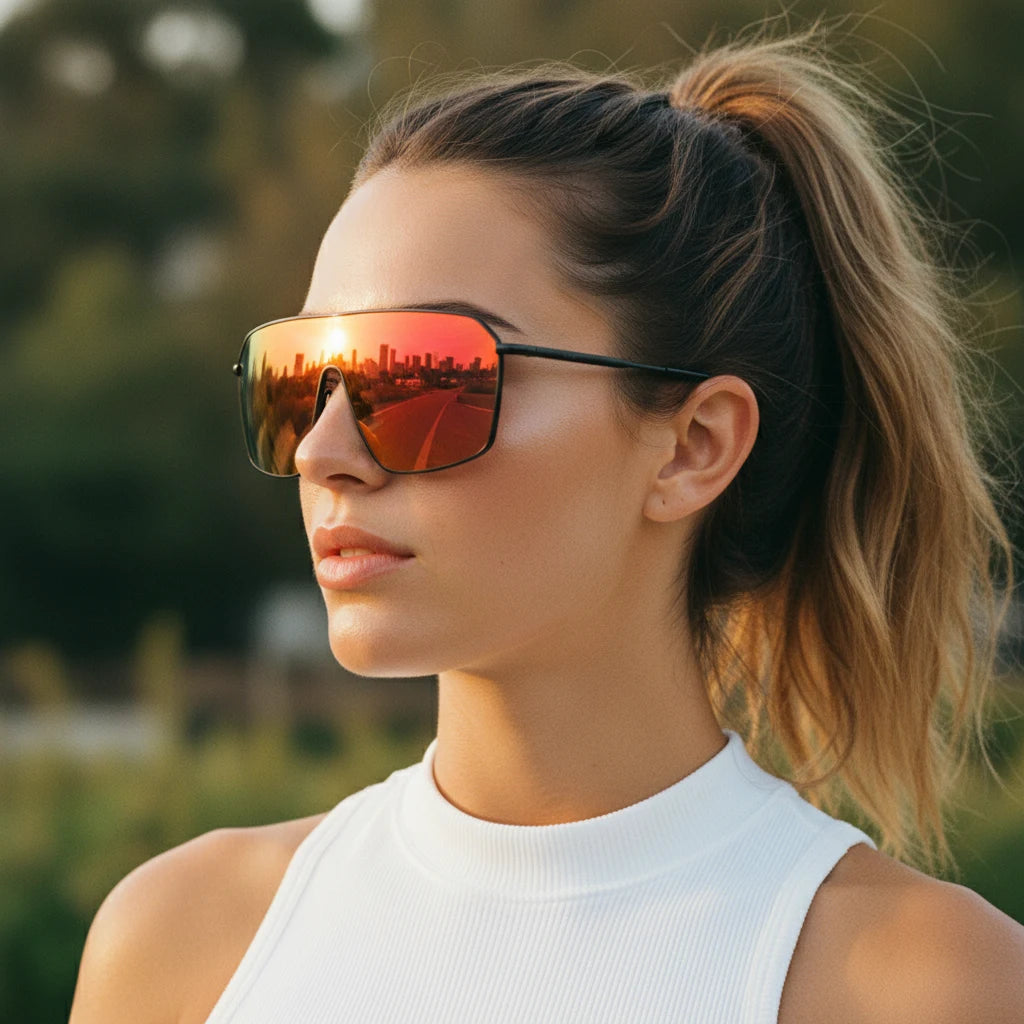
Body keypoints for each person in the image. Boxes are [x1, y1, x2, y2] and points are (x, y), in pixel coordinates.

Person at [69, 21, 1024, 1024]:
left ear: (694, 445)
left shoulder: (930, 987)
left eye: (425, 377)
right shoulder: (182, 944)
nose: (321, 451)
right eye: (300, 380)